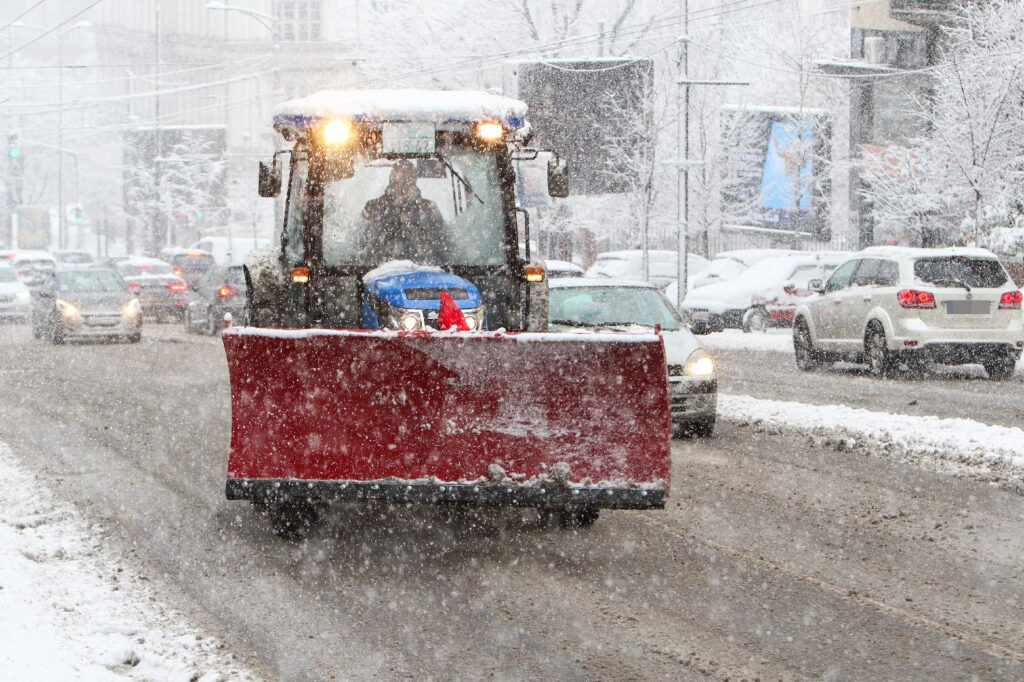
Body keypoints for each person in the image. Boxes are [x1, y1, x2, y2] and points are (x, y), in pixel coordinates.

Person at [362, 160, 452, 264]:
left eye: (408, 179)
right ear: (391, 179)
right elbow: (359, 249)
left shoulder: (429, 209)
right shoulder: (373, 207)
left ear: (414, 181)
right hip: (379, 271)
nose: (403, 185)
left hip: (424, 271)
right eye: (399, 180)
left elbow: (444, 249)